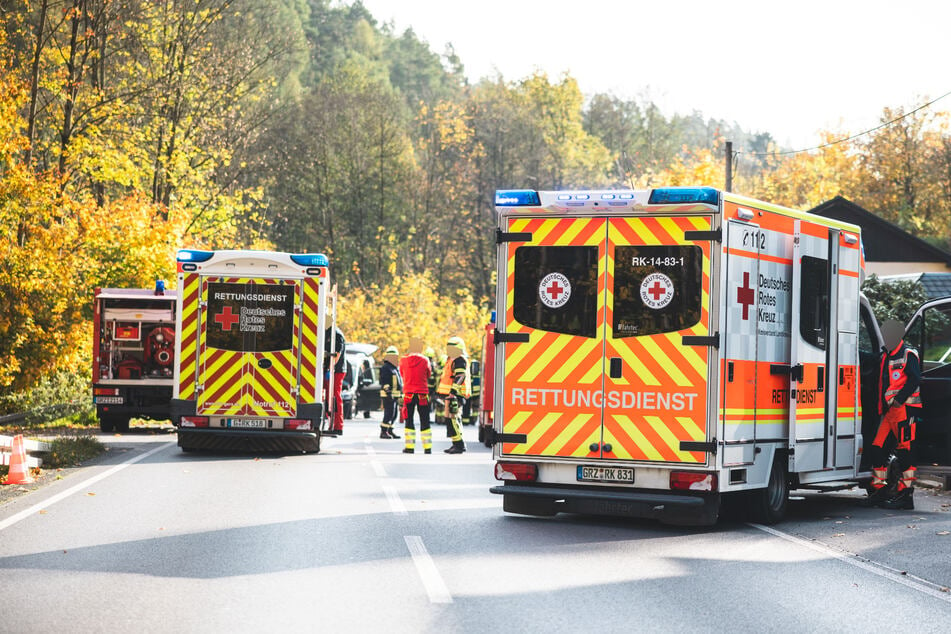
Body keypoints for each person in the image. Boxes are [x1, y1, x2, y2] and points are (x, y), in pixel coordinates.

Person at [866, 319, 922, 510]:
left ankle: (906, 496)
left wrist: (900, 399)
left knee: (905, 452)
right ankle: (880, 491)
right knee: (876, 448)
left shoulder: (908, 354)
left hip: (904, 411)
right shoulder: (886, 355)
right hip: (889, 412)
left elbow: (915, 379)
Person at [437, 336, 471, 454]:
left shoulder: (459, 360)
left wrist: (453, 392)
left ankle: (459, 445)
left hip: (455, 395)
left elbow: (460, 376)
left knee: (453, 419)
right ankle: (455, 444)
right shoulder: (452, 360)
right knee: (450, 419)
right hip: (451, 395)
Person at [400, 344, 433, 454]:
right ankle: (427, 448)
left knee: (409, 420)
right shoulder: (425, 360)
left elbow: (402, 374)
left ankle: (410, 447)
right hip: (422, 394)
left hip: (409, 393)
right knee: (425, 420)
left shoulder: (403, 360)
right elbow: (428, 374)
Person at [323, 321, 346, 436]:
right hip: (331, 370)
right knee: (329, 397)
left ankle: (338, 426)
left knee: (335, 397)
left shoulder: (336, 334)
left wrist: (329, 368)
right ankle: (332, 423)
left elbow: (337, 354)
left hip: (336, 371)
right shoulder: (328, 331)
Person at [379, 346, 402, 439]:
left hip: (395, 395)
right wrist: (388, 392)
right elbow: (384, 381)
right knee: (389, 413)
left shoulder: (395, 368)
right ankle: (383, 431)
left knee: (394, 414)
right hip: (388, 395)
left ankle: (390, 430)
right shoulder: (386, 367)